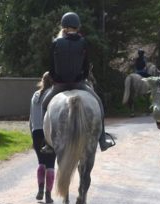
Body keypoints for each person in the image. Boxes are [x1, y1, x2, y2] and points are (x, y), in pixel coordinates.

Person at [41, 12, 114, 153]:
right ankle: (103, 140)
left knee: (44, 105)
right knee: (98, 102)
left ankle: (47, 143)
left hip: (59, 85)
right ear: (77, 26)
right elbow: (86, 66)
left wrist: (56, 79)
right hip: (78, 84)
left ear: (64, 26)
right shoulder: (83, 42)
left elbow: (51, 67)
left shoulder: (56, 43)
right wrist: (83, 77)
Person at [30, 72, 56, 204]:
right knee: (50, 163)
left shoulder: (35, 95)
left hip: (36, 132)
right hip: (48, 133)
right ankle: (48, 194)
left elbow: (30, 118)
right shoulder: (53, 95)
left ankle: (40, 189)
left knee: (41, 162)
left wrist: (32, 133)